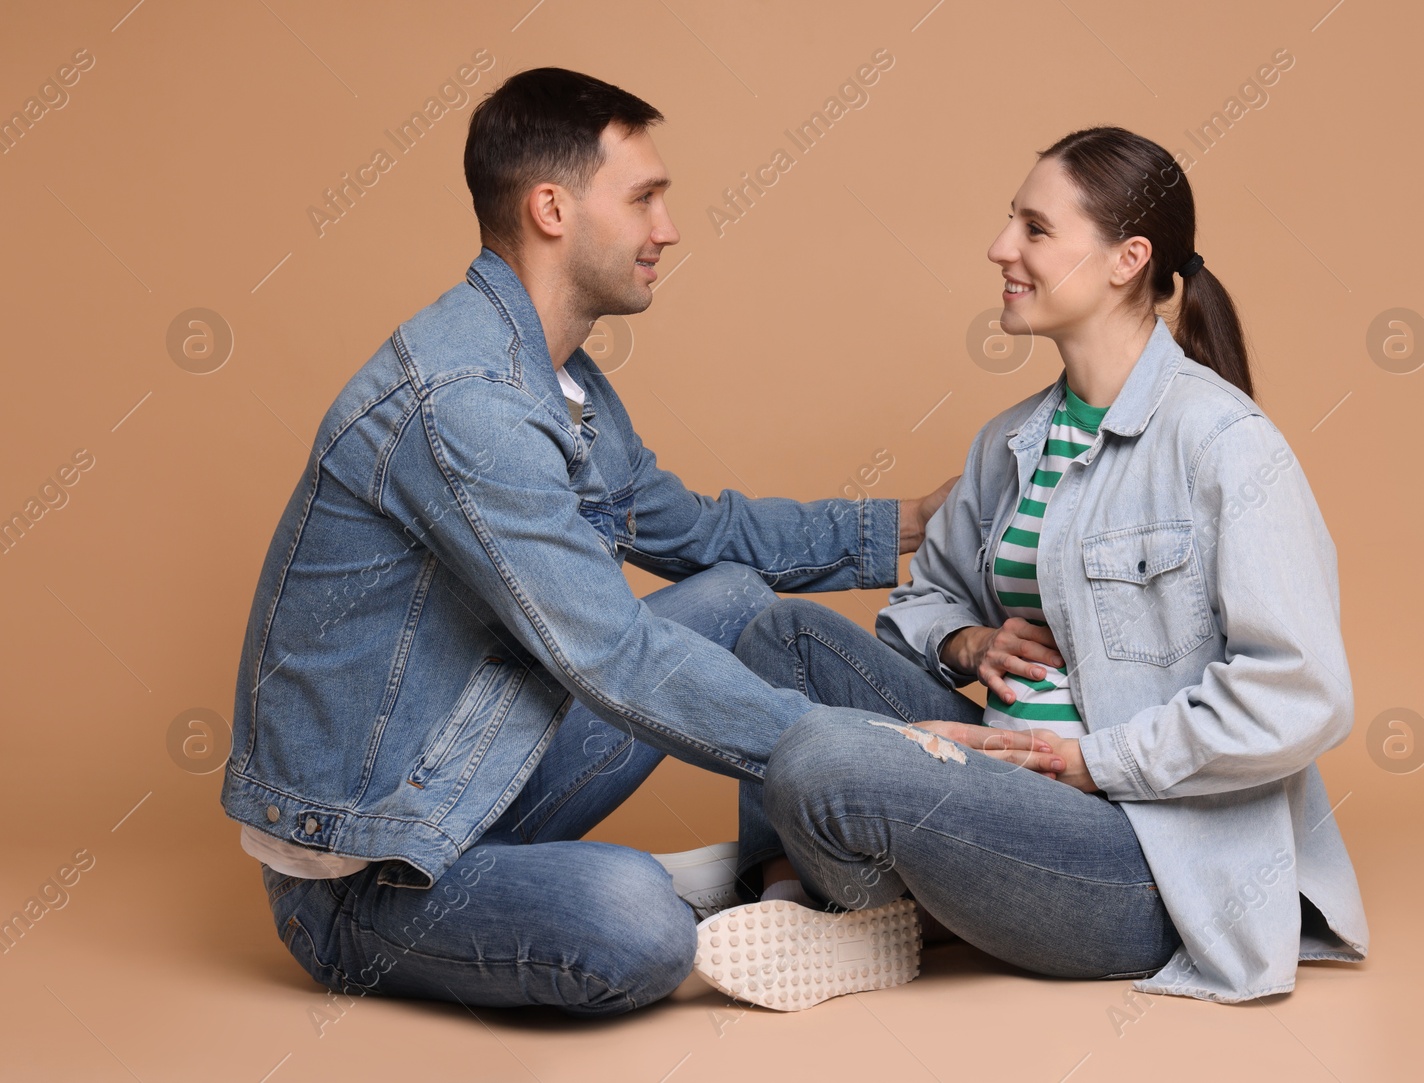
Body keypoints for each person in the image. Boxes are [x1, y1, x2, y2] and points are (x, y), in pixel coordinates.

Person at [222, 67, 962, 1017]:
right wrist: (867, 752)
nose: (670, 226)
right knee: (636, 925)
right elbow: (614, 653)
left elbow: (700, 533)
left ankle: (767, 886)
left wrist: (911, 522)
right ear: (552, 209)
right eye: (645, 196)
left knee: (733, 594)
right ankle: (682, 885)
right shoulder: (467, 400)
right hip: (372, 863)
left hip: (472, 765)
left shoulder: (560, 382)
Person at [727, 126, 1370, 1005]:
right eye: (1010, 224)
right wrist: (966, 642)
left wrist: (1087, 762)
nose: (1001, 249)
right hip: (999, 791)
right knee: (776, 636)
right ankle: (794, 909)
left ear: (1125, 260)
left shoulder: (1226, 446)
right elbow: (920, 603)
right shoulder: (1010, 442)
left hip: (1140, 861)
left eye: (1034, 228)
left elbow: (1302, 691)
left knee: (816, 756)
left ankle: (855, 894)